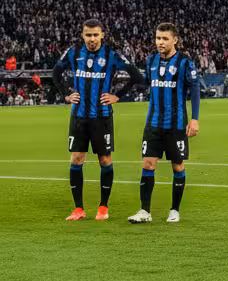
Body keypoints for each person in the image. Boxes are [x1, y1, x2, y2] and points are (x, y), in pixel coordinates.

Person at [52, 18, 145, 221]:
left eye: (95, 35)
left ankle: (103, 207)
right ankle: (79, 209)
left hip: (102, 117)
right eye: (88, 34)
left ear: (102, 35)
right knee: (76, 158)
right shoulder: (73, 53)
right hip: (78, 116)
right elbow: (56, 73)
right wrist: (66, 95)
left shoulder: (112, 55)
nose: (92, 39)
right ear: (82, 35)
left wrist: (118, 95)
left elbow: (138, 77)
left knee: (105, 160)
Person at [128, 23, 200, 224]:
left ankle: (174, 210)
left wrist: (194, 119)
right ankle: (145, 211)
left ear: (174, 40)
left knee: (177, 166)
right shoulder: (151, 60)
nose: (160, 42)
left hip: (176, 125)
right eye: (158, 38)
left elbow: (194, 90)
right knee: (148, 163)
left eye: (164, 39)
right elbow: (145, 85)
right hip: (153, 124)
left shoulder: (185, 63)